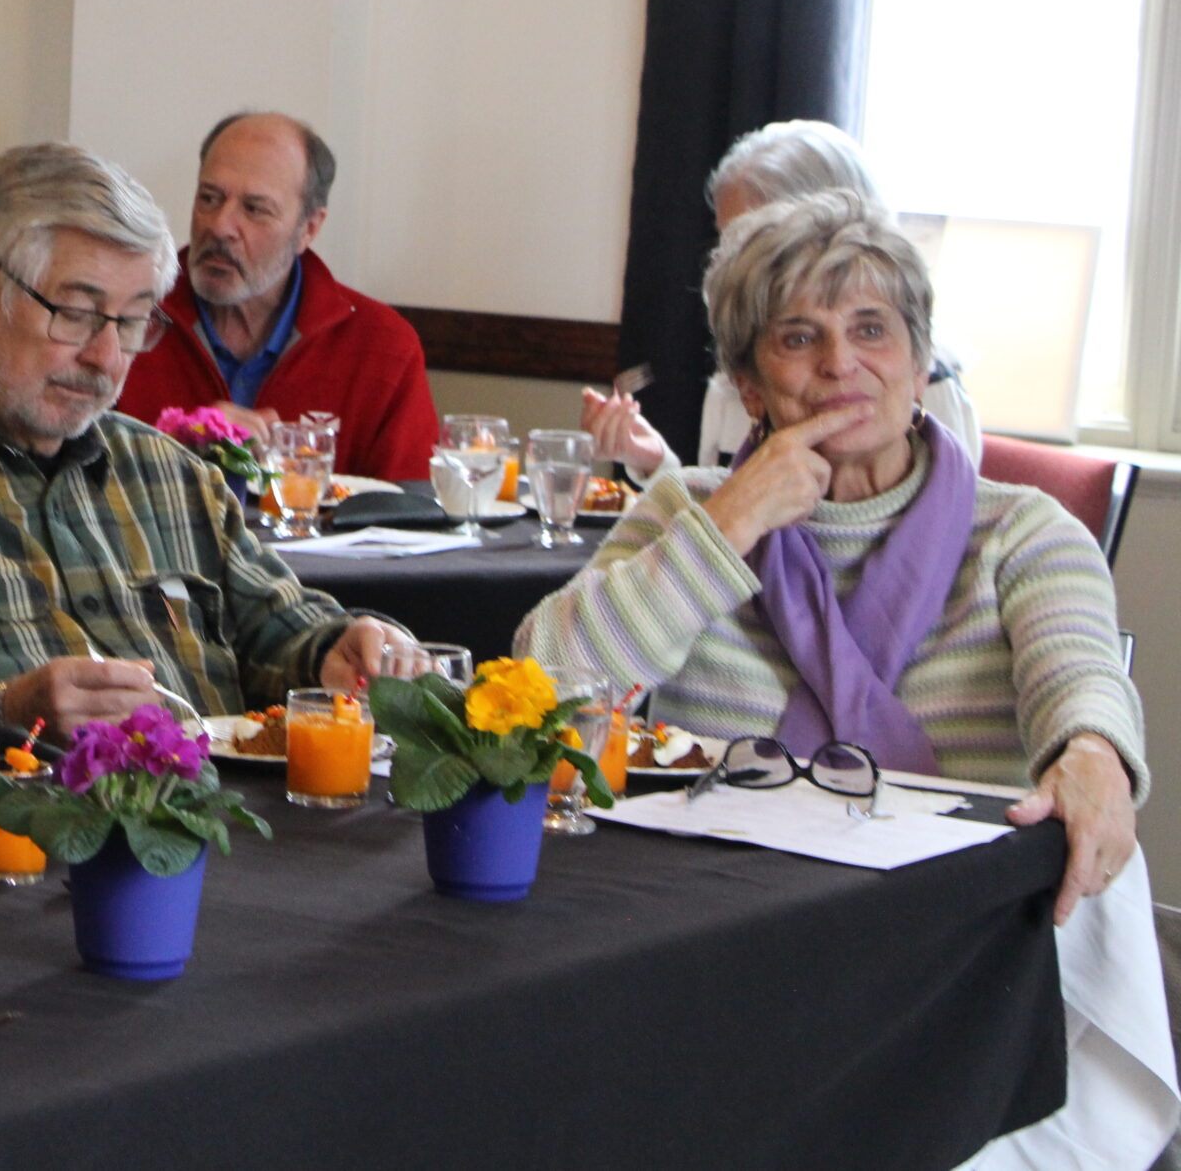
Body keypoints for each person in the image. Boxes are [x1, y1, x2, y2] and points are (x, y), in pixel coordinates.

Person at [518, 191, 1142, 926]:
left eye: (871, 329)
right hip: (710, 918)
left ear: (919, 367)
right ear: (750, 388)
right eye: (799, 337)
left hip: (955, 922)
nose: (840, 362)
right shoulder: (688, 510)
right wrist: (728, 526)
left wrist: (1092, 750)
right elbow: (544, 688)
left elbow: (1080, 674)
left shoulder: (1022, 531)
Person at [0, 141, 399, 772]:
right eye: (76, 314)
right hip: (17, 833)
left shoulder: (171, 474)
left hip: (226, 822)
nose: (106, 358)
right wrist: (0, 712)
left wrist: (340, 649)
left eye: (131, 321)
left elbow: (285, 629)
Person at [584, 119, 981, 475]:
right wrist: (656, 464)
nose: (730, 264)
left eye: (750, 239)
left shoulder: (918, 384)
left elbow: (950, 519)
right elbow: (729, 507)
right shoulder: (750, 368)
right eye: (727, 242)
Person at [114, 111, 438, 480]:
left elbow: (412, 505)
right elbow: (70, 479)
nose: (220, 226)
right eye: (209, 198)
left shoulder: (381, 346)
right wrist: (182, 446)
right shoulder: (124, 316)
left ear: (308, 229)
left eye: (255, 209)